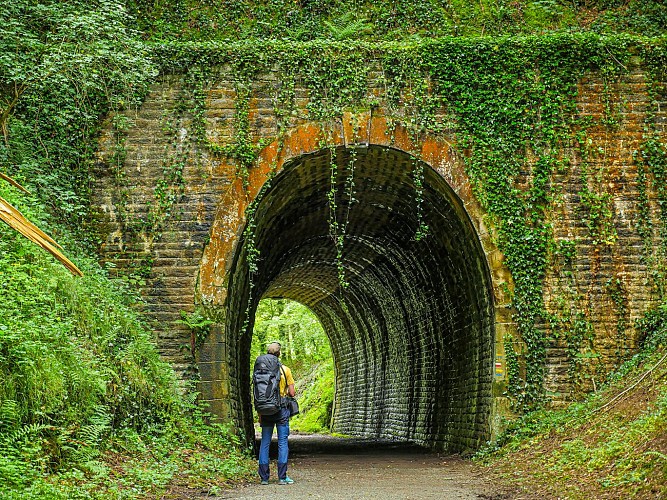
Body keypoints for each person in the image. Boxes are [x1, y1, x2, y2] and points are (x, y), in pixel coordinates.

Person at [258, 341, 296, 485]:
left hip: (265, 410)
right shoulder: (285, 370)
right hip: (281, 410)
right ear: (279, 354)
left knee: (265, 442)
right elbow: (292, 393)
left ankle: (264, 478)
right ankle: (282, 477)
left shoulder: (260, 370)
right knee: (282, 442)